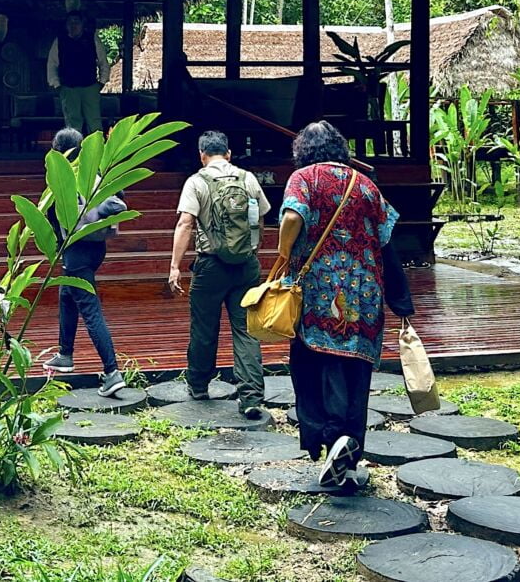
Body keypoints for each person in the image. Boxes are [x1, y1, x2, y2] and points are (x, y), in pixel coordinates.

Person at [277, 120, 414, 488]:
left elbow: (293, 216)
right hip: (364, 293)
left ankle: (330, 435)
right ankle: (349, 457)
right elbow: (387, 243)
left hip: (319, 294)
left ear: (303, 151)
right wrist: (401, 301)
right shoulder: (366, 185)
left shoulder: (304, 178)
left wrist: (284, 250)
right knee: (356, 371)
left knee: (315, 364)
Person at [167, 130, 270, 418]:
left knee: (204, 327)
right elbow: (260, 217)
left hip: (210, 266)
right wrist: (253, 247)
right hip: (246, 265)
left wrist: (175, 266)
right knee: (246, 330)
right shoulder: (248, 178)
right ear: (228, 153)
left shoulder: (196, 181)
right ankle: (250, 396)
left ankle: (199, 385)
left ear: (202, 155)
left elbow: (185, 223)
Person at [40, 127, 127, 396]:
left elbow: (48, 216)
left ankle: (112, 372)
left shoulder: (64, 178)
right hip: (96, 247)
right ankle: (65, 354)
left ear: (58, 152)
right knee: (67, 294)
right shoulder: (96, 175)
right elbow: (120, 204)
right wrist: (97, 214)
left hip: (76, 250)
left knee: (90, 310)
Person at [46, 11, 110, 133]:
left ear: (82, 24)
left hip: (90, 86)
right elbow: (52, 64)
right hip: (68, 88)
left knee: (94, 121)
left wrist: (101, 82)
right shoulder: (60, 41)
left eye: (76, 22)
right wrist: (57, 85)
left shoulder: (92, 39)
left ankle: (97, 149)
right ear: (66, 25)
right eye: (70, 22)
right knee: (72, 122)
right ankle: (74, 150)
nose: (73, 25)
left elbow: (103, 62)